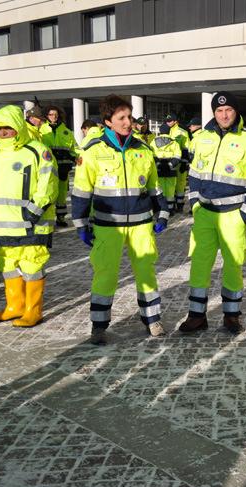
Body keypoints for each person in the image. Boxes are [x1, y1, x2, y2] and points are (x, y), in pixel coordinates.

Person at [72, 95, 170, 343]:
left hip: (141, 225)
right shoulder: (93, 152)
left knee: (146, 272)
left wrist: (163, 212)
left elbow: (154, 187)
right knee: (105, 275)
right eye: (121, 118)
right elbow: (81, 192)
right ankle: (99, 326)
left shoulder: (143, 150)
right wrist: (81, 224)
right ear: (108, 121)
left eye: (130, 117)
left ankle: (152, 319)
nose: (128, 122)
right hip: (108, 227)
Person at [178, 91, 246, 334]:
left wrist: (244, 215)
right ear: (214, 113)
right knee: (199, 264)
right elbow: (194, 174)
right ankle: (197, 315)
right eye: (219, 111)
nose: (224, 114)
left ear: (235, 112)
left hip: (232, 215)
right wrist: (195, 203)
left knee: (233, 266)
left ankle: (231, 316)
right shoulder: (202, 138)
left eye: (228, 110)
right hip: (204, 213)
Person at [0, 105, 59, 327]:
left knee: (32, 265)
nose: (3, 133)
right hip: (0, 223)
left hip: (31, 222)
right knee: (7, 264)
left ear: (18, 127)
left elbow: (48, 183)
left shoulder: (37, 150)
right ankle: (14, 307)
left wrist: (34, 211)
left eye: (8, 128)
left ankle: (33, 311)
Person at [44, 105, 78, 227]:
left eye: (56, 114)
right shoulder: (41, 131)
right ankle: (49, 217)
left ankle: (61, 217)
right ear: (46, 116)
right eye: (51, 114)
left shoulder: (66, 131)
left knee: (62, 194)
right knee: (48, 192)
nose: (54, 117)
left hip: (63, 168)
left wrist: (76, 158)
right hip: (46, 168)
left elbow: (74, 149)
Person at [150, 128, 183, 214]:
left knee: (160, 189)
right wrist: (169, 165)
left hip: (159, 169)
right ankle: (170, 209)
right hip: (171, 170)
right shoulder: (174, 142)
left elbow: (152, 155)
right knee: (170, 190)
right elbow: (178, 157)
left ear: (160, 132)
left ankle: (162, 209)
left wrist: (159, 164)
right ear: (169, 132)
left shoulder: (153, 142)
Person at [165, 113, 190, 213]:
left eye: (170, 120)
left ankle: (179, 205)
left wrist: (185, 162)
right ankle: (172, 205)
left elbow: (186, 148)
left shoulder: (182, 132)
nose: (168, 122)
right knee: (171, 185)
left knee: (180, 184)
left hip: (179, 163)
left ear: (175, 121)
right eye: (167, 121)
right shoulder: (167, 131)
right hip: (170, 163)